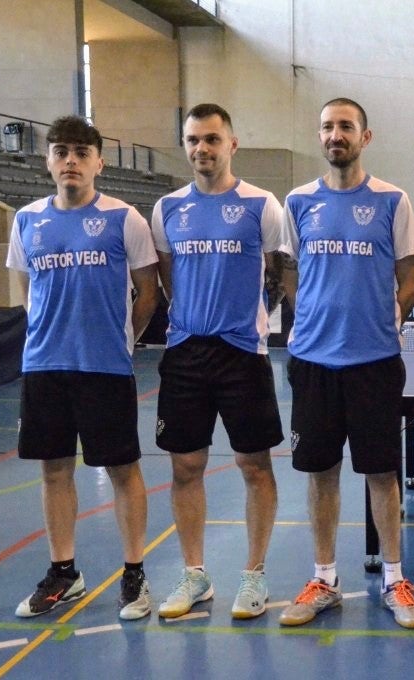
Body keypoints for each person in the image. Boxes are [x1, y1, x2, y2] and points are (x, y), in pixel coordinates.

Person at [278, 98, 414, 629]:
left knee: (382, 471)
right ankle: (325, 578)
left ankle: (394, 578)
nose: (335, 134)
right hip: (313, 359)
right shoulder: (297, 202)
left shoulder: (392, 200)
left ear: (365, 137)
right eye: (327, 127)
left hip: (374, 360)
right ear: (320, 137)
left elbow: (412, 275)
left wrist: (394, 313)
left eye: (345, 126)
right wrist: (307, 311)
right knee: (321, 472)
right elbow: (288, 268)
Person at [6, 115, 158, 620]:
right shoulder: (27, 220)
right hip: (45, 365)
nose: (70, 160)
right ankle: (64, 572)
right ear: (48, 160)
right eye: (61, 151)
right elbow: (30, 291)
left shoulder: (125, 219)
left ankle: (134, 573)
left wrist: (124, 341)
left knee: (122, 469)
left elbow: (148, 294)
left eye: (80, 152)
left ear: (98, 160)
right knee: (53, 470)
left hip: (104, 367)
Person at [151, 103, 285, 620]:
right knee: (186, 465)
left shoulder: (261, 205)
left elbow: (280, 269)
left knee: (255, 464)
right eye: (192, 140)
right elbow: (167, 277)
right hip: (186, 351)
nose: (201, 149)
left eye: (211, 139)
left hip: (242, 353)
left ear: (232, 145)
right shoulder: (167, 210)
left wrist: (255, 316)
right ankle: (194, 575)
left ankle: (253, 577)